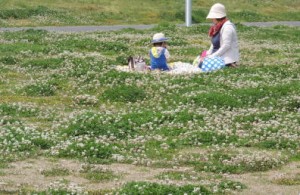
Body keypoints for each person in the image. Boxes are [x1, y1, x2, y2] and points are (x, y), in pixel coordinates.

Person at [202, 3, 239, 67]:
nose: (211, 19)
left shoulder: (228, 27)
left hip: (226, 60)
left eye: (212, 18)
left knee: (202, 67)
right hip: (217, 57)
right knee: (200, 63)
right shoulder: (217, 27)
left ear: (217, 17)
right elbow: (214, 45)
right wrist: (207, 54)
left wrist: (212, 57)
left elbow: (226, 45)